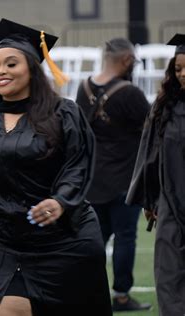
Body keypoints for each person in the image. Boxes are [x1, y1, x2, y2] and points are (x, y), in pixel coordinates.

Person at [0, 18, 112, 316]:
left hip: (63, 238)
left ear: (32, 68)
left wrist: (60, 201)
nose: (0, 72)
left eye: (11, 64)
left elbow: (77, 165)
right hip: (2, 237)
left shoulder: (63, 112)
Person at [75, 38, 151, 312]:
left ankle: (85, 293)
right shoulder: (131, 93)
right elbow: (151, 134)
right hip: (124, 181)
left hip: (92, 180)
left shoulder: (83, 89)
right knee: (125, 237)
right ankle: (120, 296)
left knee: (95, 240)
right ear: (128, 60)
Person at [127, 33, 185, 316]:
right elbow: (149, 156)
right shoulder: (165, 109)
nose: (183, 74)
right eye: (178, 69)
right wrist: (149, 200)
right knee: (169, 278)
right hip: (171, 205)